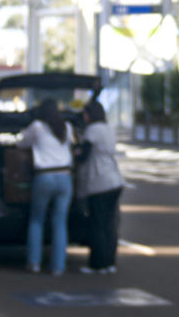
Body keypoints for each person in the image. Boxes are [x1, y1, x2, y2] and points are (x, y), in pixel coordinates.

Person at [19, 98, 73, 274]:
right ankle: (58, 266)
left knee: (36, 220)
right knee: (60, 223)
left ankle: (34, 263)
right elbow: (73, 144)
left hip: (44, 177)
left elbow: (21, 143)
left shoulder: (36, 126)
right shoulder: (66, 126)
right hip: (65, 177)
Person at [75, 100, 124, 274]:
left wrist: (76, 152)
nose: (84, 117)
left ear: (91, 115)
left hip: (99, 183)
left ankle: (96, 264)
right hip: (115, 181)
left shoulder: (93, 130)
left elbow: (83, 155)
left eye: (85, 114)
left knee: (97, 225)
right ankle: (109, 263)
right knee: (110, 225)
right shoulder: (107, 129)